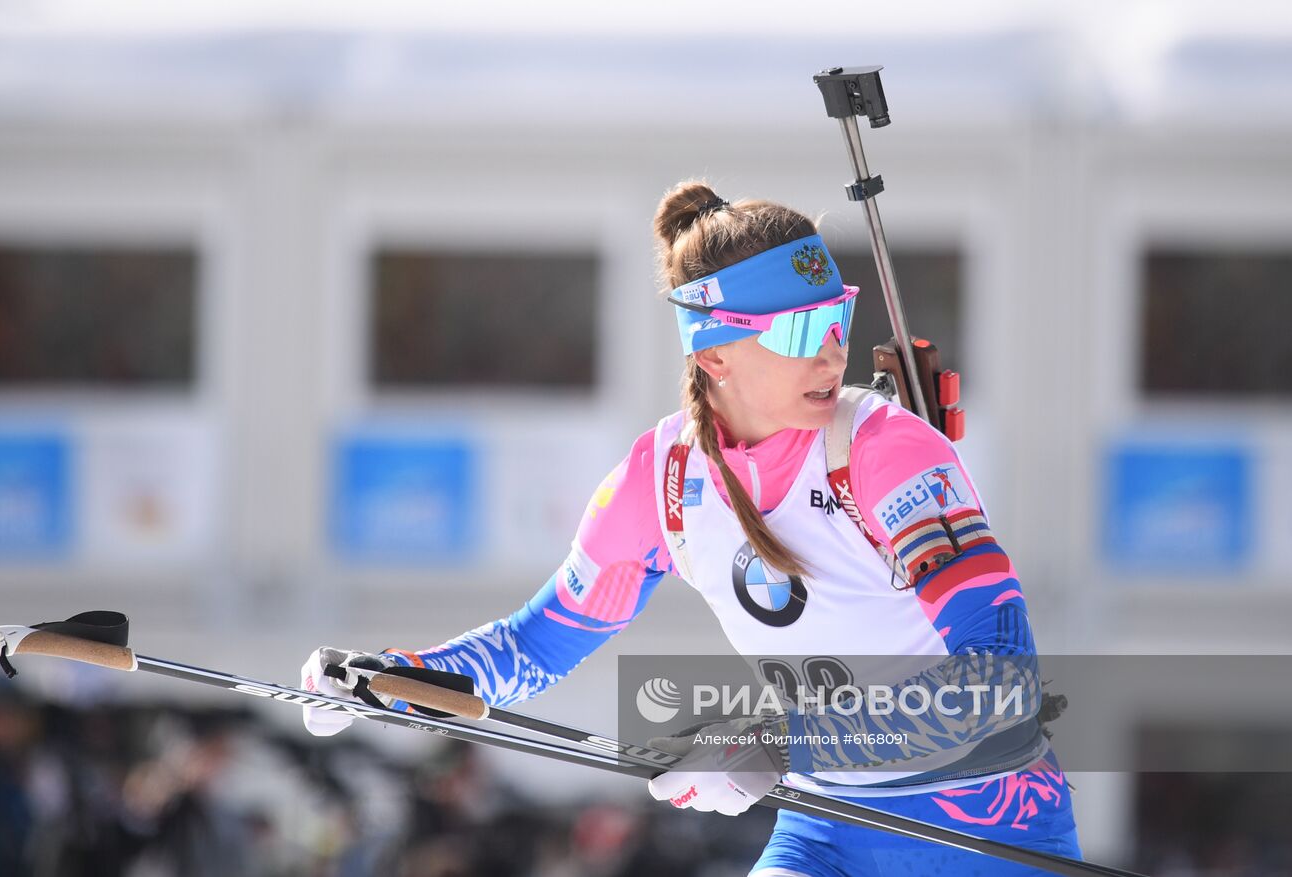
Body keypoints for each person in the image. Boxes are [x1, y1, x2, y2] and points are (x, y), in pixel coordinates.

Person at [302, 182, 1082, 876]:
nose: (833, 353)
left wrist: (772, 742)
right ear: (715, 353)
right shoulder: (664, 479)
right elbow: (532, 648)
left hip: (989, 828)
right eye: (798, 332)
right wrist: (391, 682)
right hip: (831, 831)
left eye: (835, 321)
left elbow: (999, 685)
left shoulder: (885, 449)